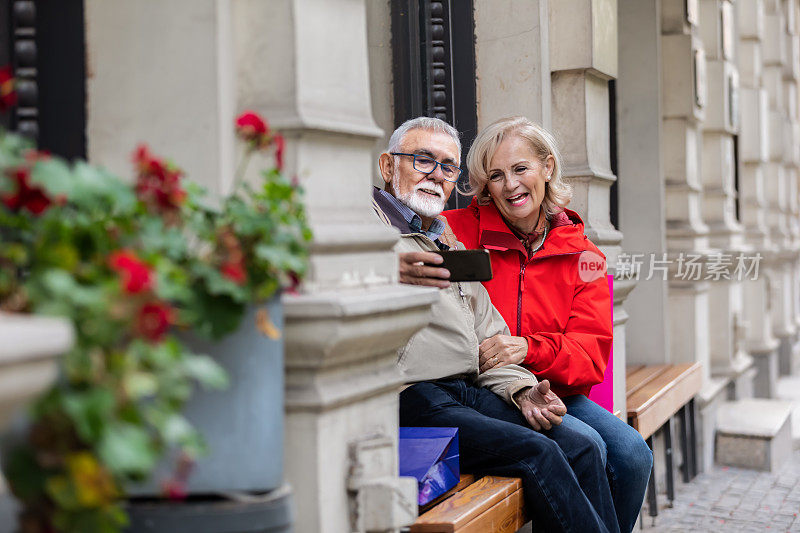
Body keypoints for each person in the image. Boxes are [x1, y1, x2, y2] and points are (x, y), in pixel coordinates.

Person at [376, 116, 619, 533]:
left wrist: (522, 389)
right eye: (422, 160)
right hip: (413, 394)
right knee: (539, 452)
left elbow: (491, 334)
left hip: (479, 387)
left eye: (447, 166)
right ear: (388, 166)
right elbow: (318, 264)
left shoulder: (446, 237)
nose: (436, 175)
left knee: (585, 447)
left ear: (547, 168)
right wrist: (383, 267)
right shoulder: (369, 228)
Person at [429, 116, 652, 533]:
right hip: (485, 388)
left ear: (547, 167)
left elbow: (589, 357)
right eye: (496, 176)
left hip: (556, 389)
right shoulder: (456, 233)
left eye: (520, 169)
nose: (510, 186)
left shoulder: (584, 256)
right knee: (590, 448)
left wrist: (527, 348)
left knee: (633, 453)